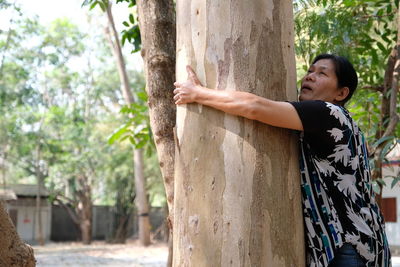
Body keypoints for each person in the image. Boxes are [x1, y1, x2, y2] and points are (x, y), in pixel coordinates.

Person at [173, 54, 391, 267]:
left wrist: (198, 94)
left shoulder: (327, 113)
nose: (310, 76)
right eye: (310, 71)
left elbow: (255, 107)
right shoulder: (345, 125)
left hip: (347, 247)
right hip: (362, 246)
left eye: (322, 73)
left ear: (341, 93)